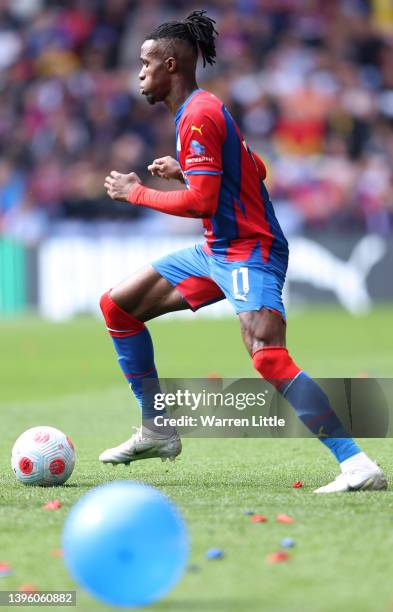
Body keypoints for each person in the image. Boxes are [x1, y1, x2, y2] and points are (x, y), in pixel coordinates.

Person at [100, 10, 386, 493]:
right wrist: (189, 168)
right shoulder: (203, 110)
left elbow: (205, 202)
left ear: (171, 64)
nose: (140, 73)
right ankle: (157, 428)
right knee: (118, 307)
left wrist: (136, 193)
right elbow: (256, 168)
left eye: (146, 63)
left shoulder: (198, 115)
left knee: (267, 355)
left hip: (250, 249)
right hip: (218, 248)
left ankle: (357, 464)